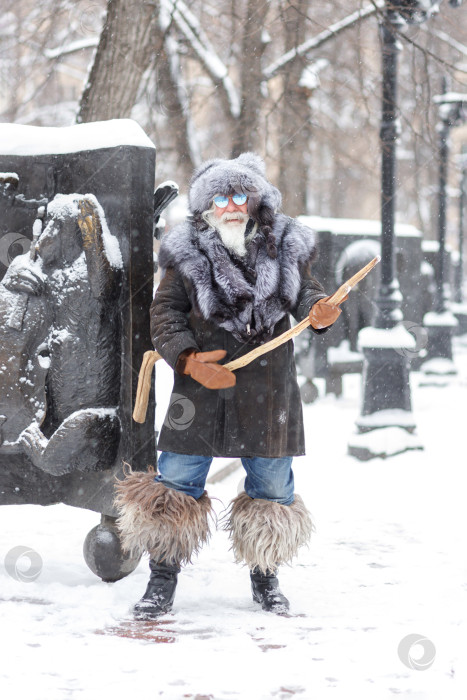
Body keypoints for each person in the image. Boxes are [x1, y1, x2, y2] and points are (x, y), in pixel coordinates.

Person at [115, 152, 342, 619]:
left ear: (256, 201)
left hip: (269, 387)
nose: (232, 205)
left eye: (241, 195)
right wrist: (190, 360)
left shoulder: (285, 247)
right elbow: (165, 314)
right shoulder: (185, 254)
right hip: (200, 389)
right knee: (174, 482)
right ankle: (162, 579)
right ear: (207, 205)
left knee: (273, 488)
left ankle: (265, 577)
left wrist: (319, 311)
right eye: (222, 197)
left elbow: (306, 295)